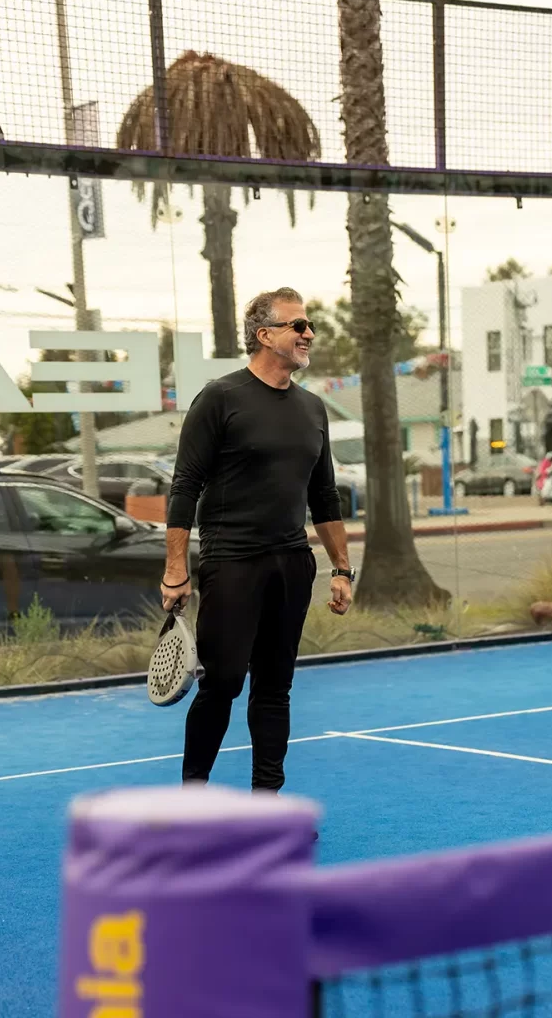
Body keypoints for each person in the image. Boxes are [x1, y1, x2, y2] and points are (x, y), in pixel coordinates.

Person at [161, 286, 353, 792]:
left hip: (291, 563)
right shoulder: (220, 398)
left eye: (309, 325)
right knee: (223, 682)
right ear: (265, 335)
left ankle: (266, 803)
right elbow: (185, 486)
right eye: (298, 325)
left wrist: (341, 568)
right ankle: (192, 798)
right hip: (232, 563)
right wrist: (175, 569)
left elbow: (324, 496)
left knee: (274, 688)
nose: (309, 333)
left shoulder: (313, 408)